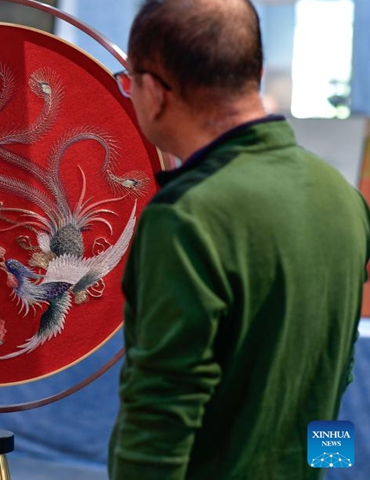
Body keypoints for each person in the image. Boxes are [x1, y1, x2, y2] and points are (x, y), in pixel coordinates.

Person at [107, 1, 370, 479]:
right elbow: (333, 377)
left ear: (150, 91)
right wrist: (319, 471)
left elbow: (160, 417)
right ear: (257, 72)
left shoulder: (186, 217)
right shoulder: (343, 199)